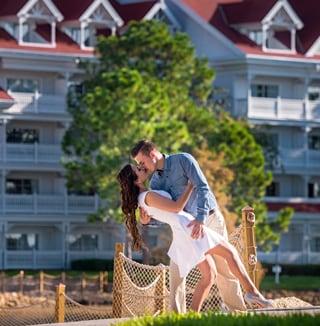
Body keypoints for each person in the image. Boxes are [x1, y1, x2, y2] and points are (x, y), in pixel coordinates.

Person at [116, 164, 273, 312]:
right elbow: (176, 207)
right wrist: (190, 186)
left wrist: (146, 220)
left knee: (210, 275)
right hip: (188, 227)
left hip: (184, 230)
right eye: (137, 168)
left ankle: (192, 316)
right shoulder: (147, 196)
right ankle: (252, 293)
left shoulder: (144, 197)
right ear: (135, 180)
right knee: (230, 253)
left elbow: (161, 214)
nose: (141, 167)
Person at [131, 140, 247, 312]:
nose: (142, 166)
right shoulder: (155, 183)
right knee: (177, 272)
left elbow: (203, 187)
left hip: (209, 219)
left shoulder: (183, 160)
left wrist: (200, 218)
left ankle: (239, 313)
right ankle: (178, 317)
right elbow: (169, 213)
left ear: (153, 155)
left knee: (223, 270)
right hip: (186, 229)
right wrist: (148, 221)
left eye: (142, 162)